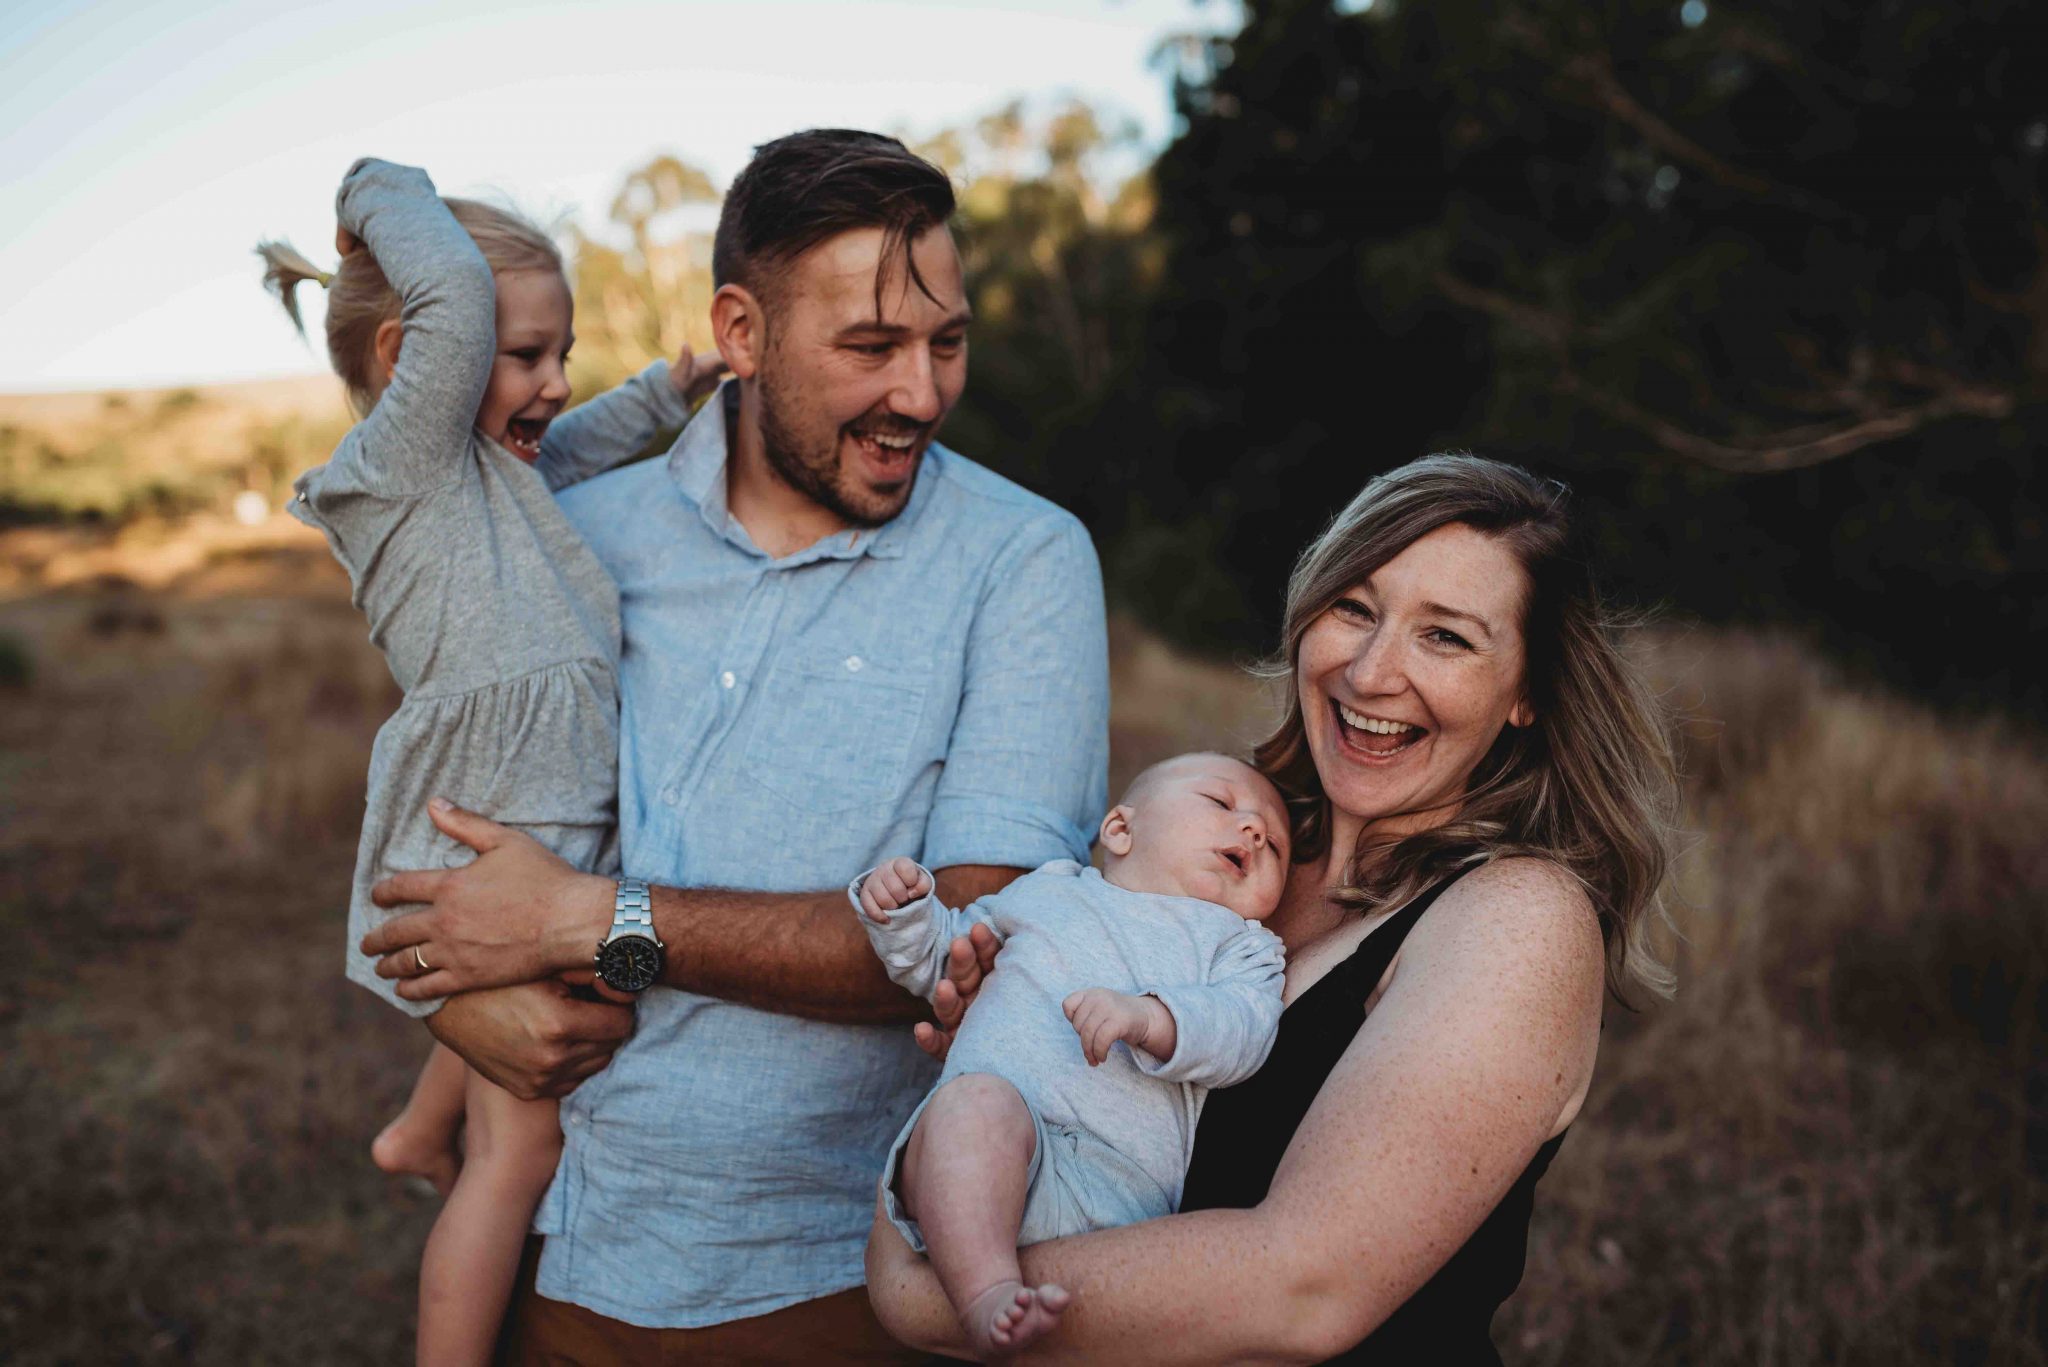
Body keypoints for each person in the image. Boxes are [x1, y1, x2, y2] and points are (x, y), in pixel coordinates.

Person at [354, 128, 1109, 1361]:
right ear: (741, 334)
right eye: (870, 345)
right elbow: (452, 824)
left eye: (946, 341)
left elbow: (978, 940)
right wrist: (457, 1010)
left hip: (840, 1281)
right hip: (556, 1255)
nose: (920, 392)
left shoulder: (1019, 562)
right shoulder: (577, 534)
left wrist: (587, 920)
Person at [866, 454, 1678, 1364]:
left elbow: (1302, 1289)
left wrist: (921, 1289)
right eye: (1355, 608)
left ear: (1529, 690)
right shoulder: (1233, 863)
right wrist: (1013, 1022)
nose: (1372, 674)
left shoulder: (1518, 917)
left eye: (1445, 637)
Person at [260, 158, 723, 1365]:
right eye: (522, 355)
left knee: (516, 1089)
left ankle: (415, 1133)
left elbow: (575, 439)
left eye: (558, 351)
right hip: (495, 811)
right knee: (520, 1151)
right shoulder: (406, 467)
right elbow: (456, 301)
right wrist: (371, 189)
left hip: (537, 811)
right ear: (416, 355)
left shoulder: (493, 475)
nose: (551, 381)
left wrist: (668, 388)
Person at [852, 752, 1290, 1357]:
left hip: (1119, 1196)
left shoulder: (1244, 948)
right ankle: (987, 1297)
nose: (1254, 830)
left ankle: (1005, 1304)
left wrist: (1153, 1016)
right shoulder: (1048, 889)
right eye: (1221, 803)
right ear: (1120, 829)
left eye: (1276, 845)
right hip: (992, 1147)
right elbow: (944, 957)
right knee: (970, 1102)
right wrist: (903, 913)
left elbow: (1244, 1032)